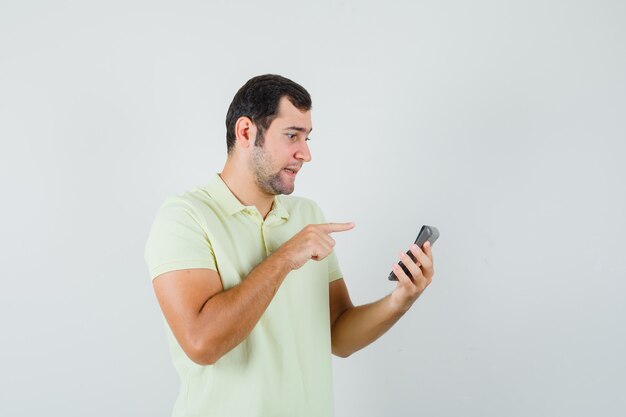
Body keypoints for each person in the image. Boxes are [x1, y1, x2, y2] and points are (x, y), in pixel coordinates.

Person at [144, 74, 435, 417]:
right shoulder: (185, 217)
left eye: (308, 137)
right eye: (292, 135)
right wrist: (285, 257)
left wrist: (399, 300)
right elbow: (202, 343)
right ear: (246, 132)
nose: (306, 153)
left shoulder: (307, 216)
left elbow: (339, 336)